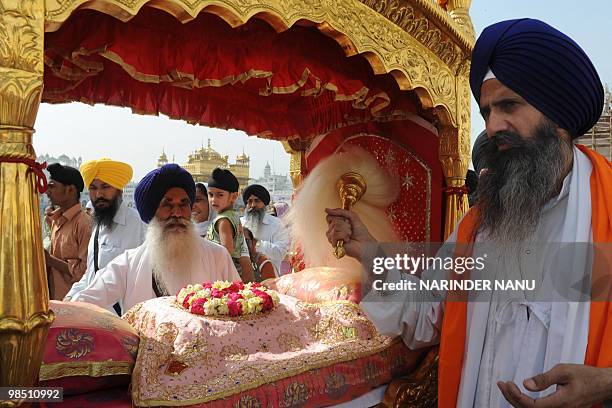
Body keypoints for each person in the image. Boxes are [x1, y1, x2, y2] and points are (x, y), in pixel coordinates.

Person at [326, 18, 612, 408]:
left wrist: (607, 384)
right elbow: (423, 314)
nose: (493, 127)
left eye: (509, 105)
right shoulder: (477, 226)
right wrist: (369, 252)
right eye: (487, 111)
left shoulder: (607, 210)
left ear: (558, 115)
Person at [71, 164, 240, 312]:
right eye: (167, 205)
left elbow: (242, 306)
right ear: (151, 212)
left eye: (183, 204)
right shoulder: (128, 265)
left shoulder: (218, 256)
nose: (177, 213)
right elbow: (84, 303)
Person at [65, 159, 146, 312]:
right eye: (93, 188)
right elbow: (91, 276)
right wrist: (70, 298)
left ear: (119, 189)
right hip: (94, 317)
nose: (98, 194)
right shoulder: (97, 227)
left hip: (124, 320)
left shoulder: (138, 225)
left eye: (105, 187)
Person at [45, 163, 92, 300]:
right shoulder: (56, 220)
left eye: (52, 186)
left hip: (72, 303)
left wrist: (49, 260)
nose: (47, 192)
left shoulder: (84, 224)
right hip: (53, 301)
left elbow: (84, 272)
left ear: (70, 190)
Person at [206, 168, 254, 281]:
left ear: (233, 196)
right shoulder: (234, 216)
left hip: (224, 274)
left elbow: (226, 252)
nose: (213, 200)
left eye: (220, 195)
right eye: (210, 194)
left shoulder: (223, 221)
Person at [241, 184, 290, 274]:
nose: (253, 205)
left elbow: (281, 253)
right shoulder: (240, 224)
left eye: (257, 201)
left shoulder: (276, 224)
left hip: (270, 277)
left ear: (264, 204)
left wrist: (257, 245)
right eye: (249, 201)